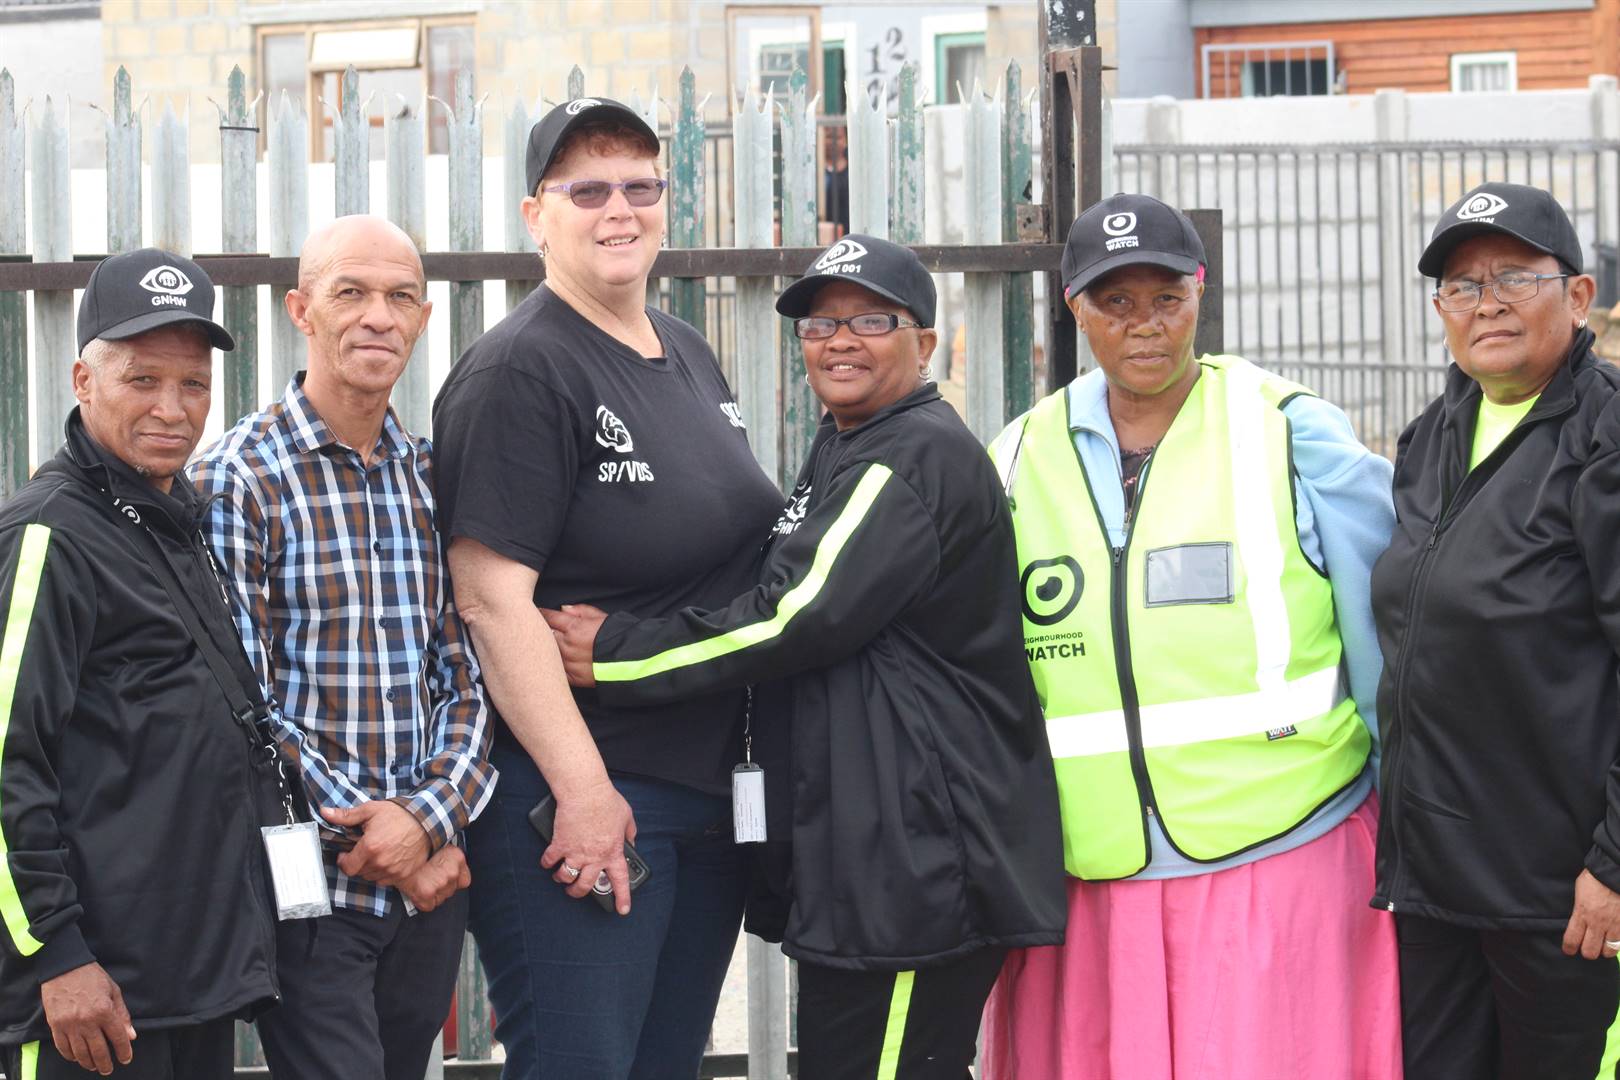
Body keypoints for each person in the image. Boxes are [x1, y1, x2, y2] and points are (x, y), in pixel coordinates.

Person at [545, 234, 1067, 1080]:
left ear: (925, 343)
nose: (840, 341)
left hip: (916, 866)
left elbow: (793, 616)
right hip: (872, 863)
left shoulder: (910, 456)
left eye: (870, 321)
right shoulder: (848, 445)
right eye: (820, 326)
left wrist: (616, 653)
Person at [981, 193, 1402, 1080]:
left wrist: (1404, 811)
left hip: (1283, 853)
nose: (1146, 325)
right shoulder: (1017, 456)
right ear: (1075, 309)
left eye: (1167, 299)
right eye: (1116, 303)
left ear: (1200, 294)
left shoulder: (1287, 428)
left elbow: (1385, 637)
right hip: (1089, 875)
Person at [429, 98, 783, 1078]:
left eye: (639, 185)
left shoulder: (686, 349)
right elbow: (490, 600)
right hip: (589, 802)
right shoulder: (520, 371)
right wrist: (584, 791)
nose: (619, 209)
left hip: (702, 795)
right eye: (587, 190)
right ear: (535, 215)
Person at [190, 215, 494, 1080]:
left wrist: (428, 820)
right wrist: (380, 839)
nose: (377, 317)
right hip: (313, 893)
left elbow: (467, 673)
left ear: (423, 319)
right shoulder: (238, 478)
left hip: (430, 883)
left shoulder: (431, 476)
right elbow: (244, 700)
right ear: (302, 310)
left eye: (400, 297)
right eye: (350, 293)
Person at [0, 249, 286, 1079]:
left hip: (187, 986)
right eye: (143, 380)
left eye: (193, 383)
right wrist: (55, 955)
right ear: (83, 381)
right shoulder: (49, 534)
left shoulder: (170, 517)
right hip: (87, 1004)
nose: (172, 408)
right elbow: (9, 761)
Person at [1370, 181, 1620, 1079]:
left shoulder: (1605, 437)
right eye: (1463, 286)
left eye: (1514, 277)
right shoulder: (1431, 437)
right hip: (1434, 881)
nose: (1488, 304)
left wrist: (1614, 865)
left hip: (1556, 893)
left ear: (1578, 296)